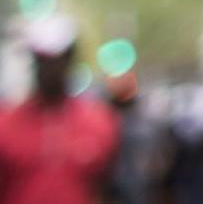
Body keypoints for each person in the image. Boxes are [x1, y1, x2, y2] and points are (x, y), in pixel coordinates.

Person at [0, 16, 119, 204]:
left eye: (59, 59)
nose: (52, 69)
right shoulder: (6, 125)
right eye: (44, 61)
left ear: (70, 59)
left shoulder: (99, 122)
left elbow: (110, 188)